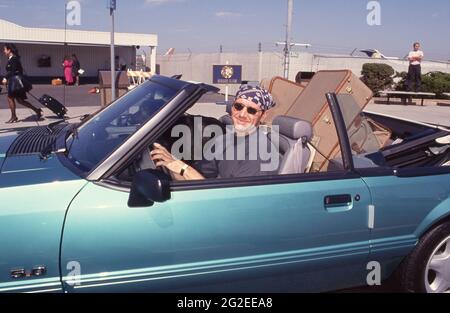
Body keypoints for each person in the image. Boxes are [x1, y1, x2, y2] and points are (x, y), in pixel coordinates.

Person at [150, 85, 279, 181]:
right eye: (238, 107)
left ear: (263, 116)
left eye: (251, 110)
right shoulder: (223, 140)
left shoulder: (261, 154)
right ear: (232, 107)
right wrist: (171, 163)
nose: (242, 114)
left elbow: (234, 201)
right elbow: (200, 177)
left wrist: (183, 168)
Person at [2, 43, 42, 123]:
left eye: (5, 49)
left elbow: (13, 71)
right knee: (20, 101)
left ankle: (14, 117)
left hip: (16, 83)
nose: (4, 51)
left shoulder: (14, 59)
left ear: (9, 50)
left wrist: (6, 78)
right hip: (14, 83)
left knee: (10, 98)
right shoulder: (11, 59)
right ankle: (37, 111)